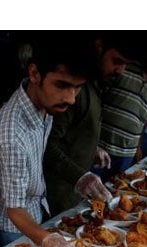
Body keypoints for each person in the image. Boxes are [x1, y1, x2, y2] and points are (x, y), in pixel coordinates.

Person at [0, 39, 93, 247]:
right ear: (34, 73)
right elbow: (14, 208)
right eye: (62, 85)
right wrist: (46, 238)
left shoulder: (45, 106)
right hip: (14, 227)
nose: (71, 98)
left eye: (77, 88)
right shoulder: (11, 132)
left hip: (37, 209)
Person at [44, 32, 132, 215]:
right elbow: (47, 144)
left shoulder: (94, 85)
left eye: (125, 64)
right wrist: (80, 176)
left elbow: (75, 132)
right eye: (116, 61)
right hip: (58, 195)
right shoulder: (75, 91)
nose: (120, 70)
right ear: (99, 47)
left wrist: (93, 149)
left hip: (75, 194)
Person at [95, 31, 147, 182]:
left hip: (126, 155)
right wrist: (92, 145)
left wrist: (137, 148)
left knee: (113, 198)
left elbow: (144, 119)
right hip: (98, 151)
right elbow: (96, 101)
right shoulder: (123, 65)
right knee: (87, 200)